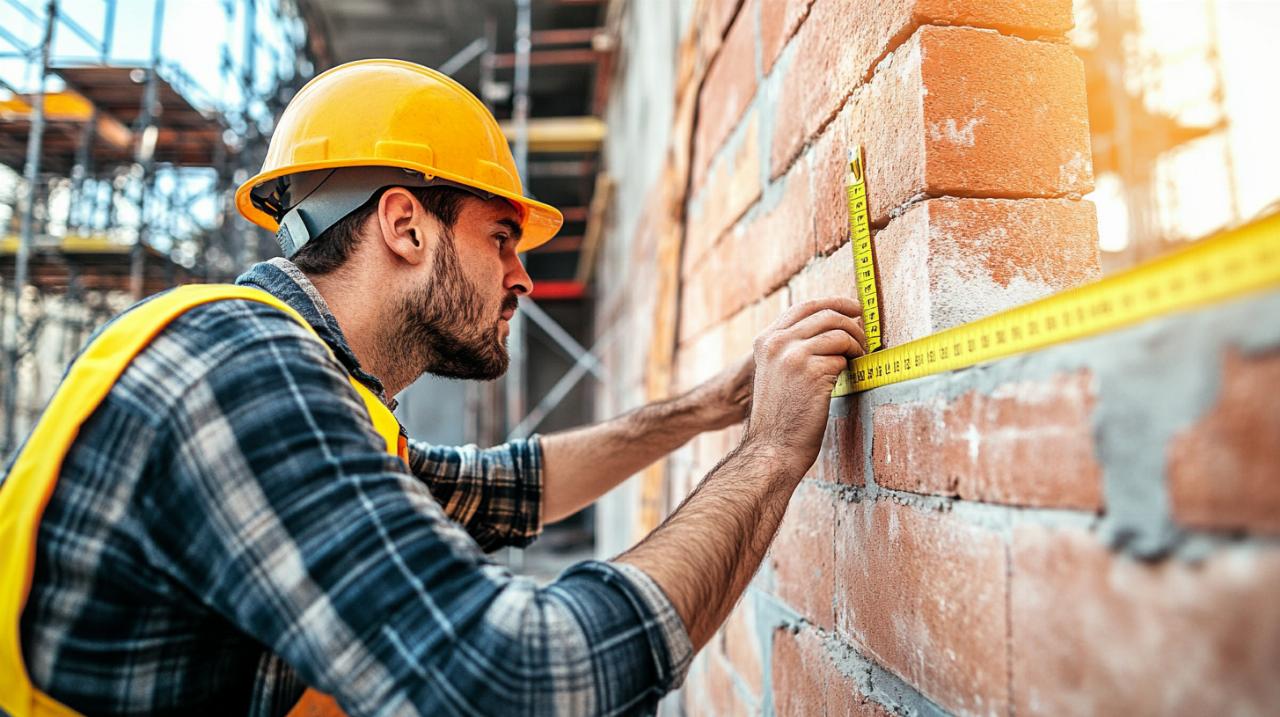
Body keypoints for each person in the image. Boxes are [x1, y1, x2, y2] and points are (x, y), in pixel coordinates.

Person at [0, 59, 865, 716]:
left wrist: (708, 407)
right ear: (406, 226)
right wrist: (768, 456)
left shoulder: (301, 375)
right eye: (501, 238)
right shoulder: (242, 374)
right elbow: (524, 681)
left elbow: (507, 488)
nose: (522, 277)